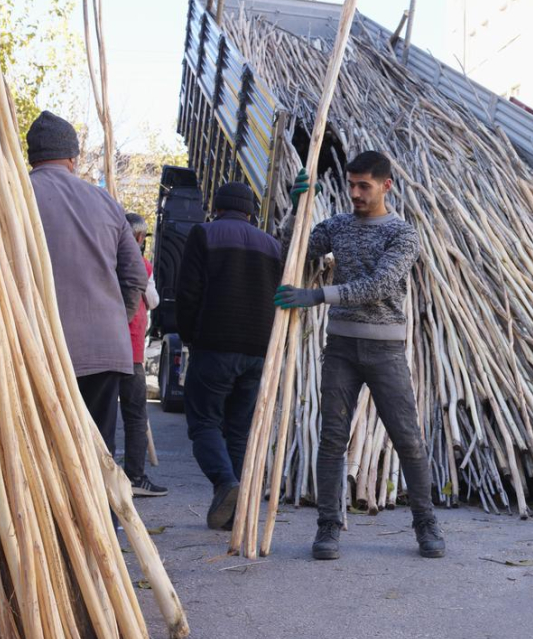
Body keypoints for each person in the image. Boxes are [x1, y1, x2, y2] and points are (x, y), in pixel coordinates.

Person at [276, 150, 445, 561]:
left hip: (385, 349)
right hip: (341, 348)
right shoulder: (337, 226)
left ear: (386, 185)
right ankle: (328, 528)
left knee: (407, 438)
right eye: (351, 185)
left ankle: (426, 526)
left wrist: (317, 295)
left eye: (363, 186)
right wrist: (296, 212)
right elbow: (292, 251)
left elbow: (380, 284)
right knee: (332, 439)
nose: (354, 193)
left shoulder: (402, 235)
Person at [27, 110, 146, 457]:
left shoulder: (16, 194)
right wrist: (115, 319)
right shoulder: (106, 201)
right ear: (73, 158)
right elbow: (136, 275)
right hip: (105, 350)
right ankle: (102, 513)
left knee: (46, 454)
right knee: (98, 453)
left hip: (42, 345)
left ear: (32, 156)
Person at [176, 182, 283, 530]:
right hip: (258, 350)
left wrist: (191, 337)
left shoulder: (203, 234)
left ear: (217, 207)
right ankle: (231, 514)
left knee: (204, 422)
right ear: (250, 212)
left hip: (215, 345)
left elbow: (188, 292)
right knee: (238, 431)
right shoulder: (272, 245)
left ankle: (226, 483)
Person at [121, 212, 168, 497]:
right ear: (139, 238)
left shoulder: (105, 262)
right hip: (132, 350)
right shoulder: (142, 266)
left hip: (104, 347)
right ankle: (135, 476)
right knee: (136, 416)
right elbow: (153, 301)